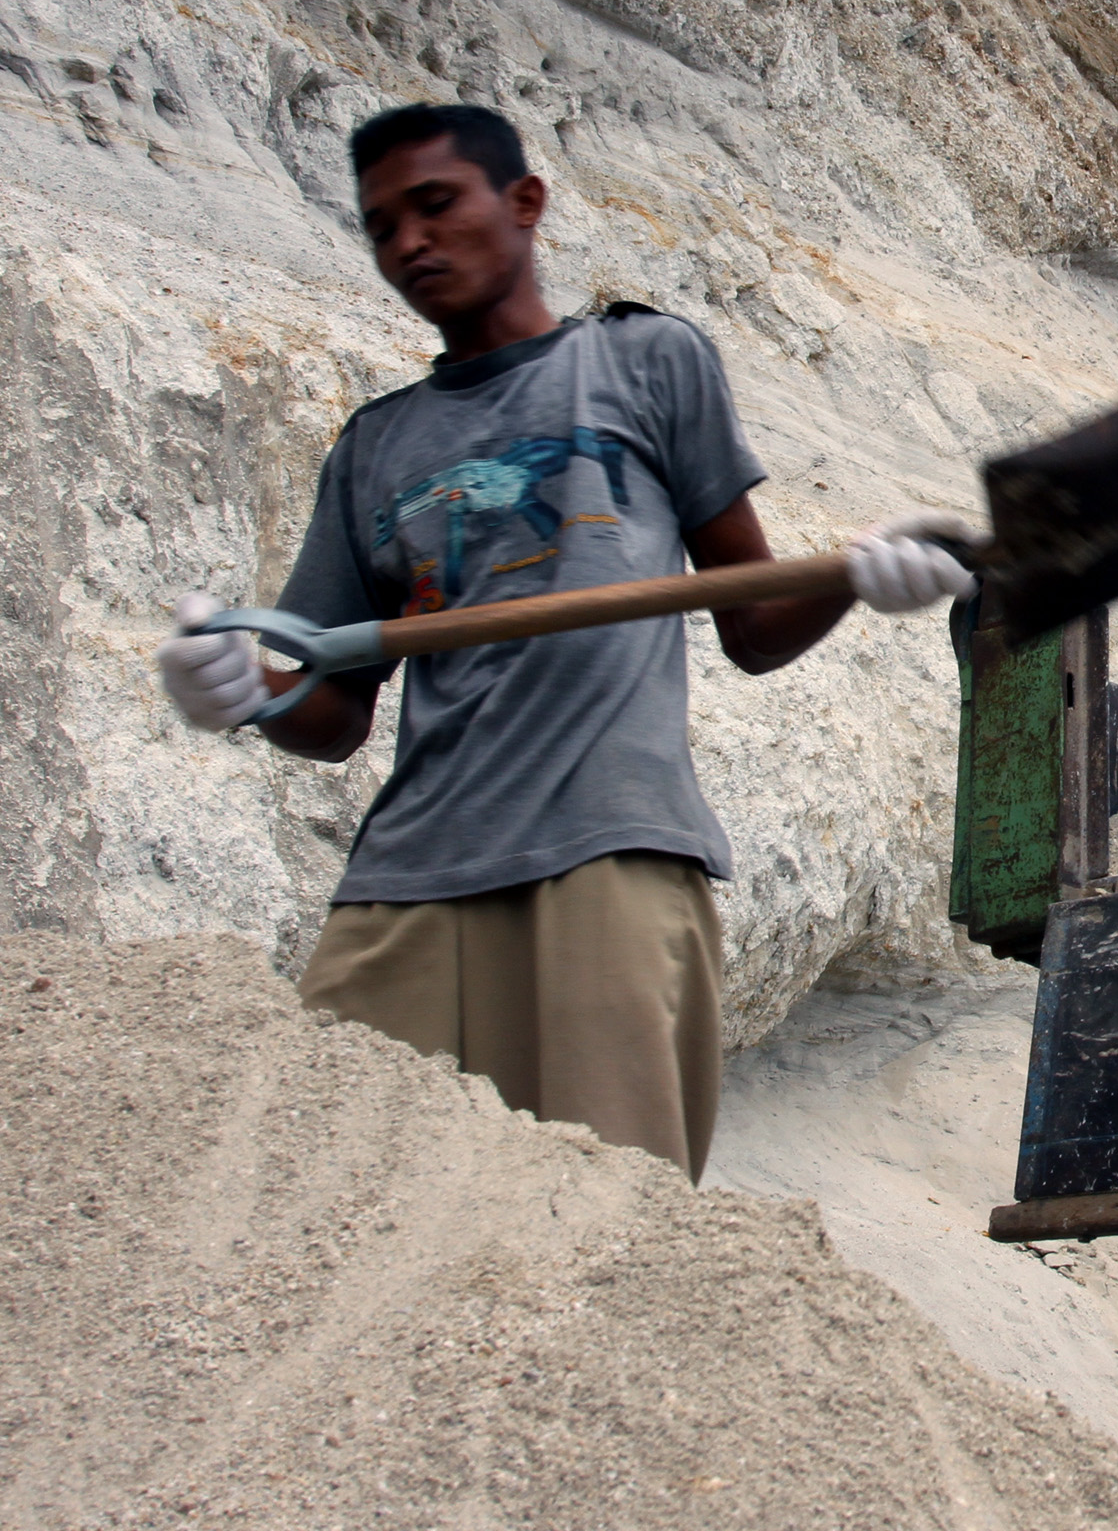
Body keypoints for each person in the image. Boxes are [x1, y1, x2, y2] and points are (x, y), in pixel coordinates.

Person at [149, 103, 972, 1181]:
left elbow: (754, 626)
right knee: (324, 1208)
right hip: (407, 876)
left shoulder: (646, 362)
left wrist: (856, 577)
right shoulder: (375, 447)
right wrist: (245, 689)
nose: (409, 243)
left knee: (605, 1220)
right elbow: (334, 711)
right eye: (381, 224)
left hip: (609, 855)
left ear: (525, 203)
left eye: (436, 205)